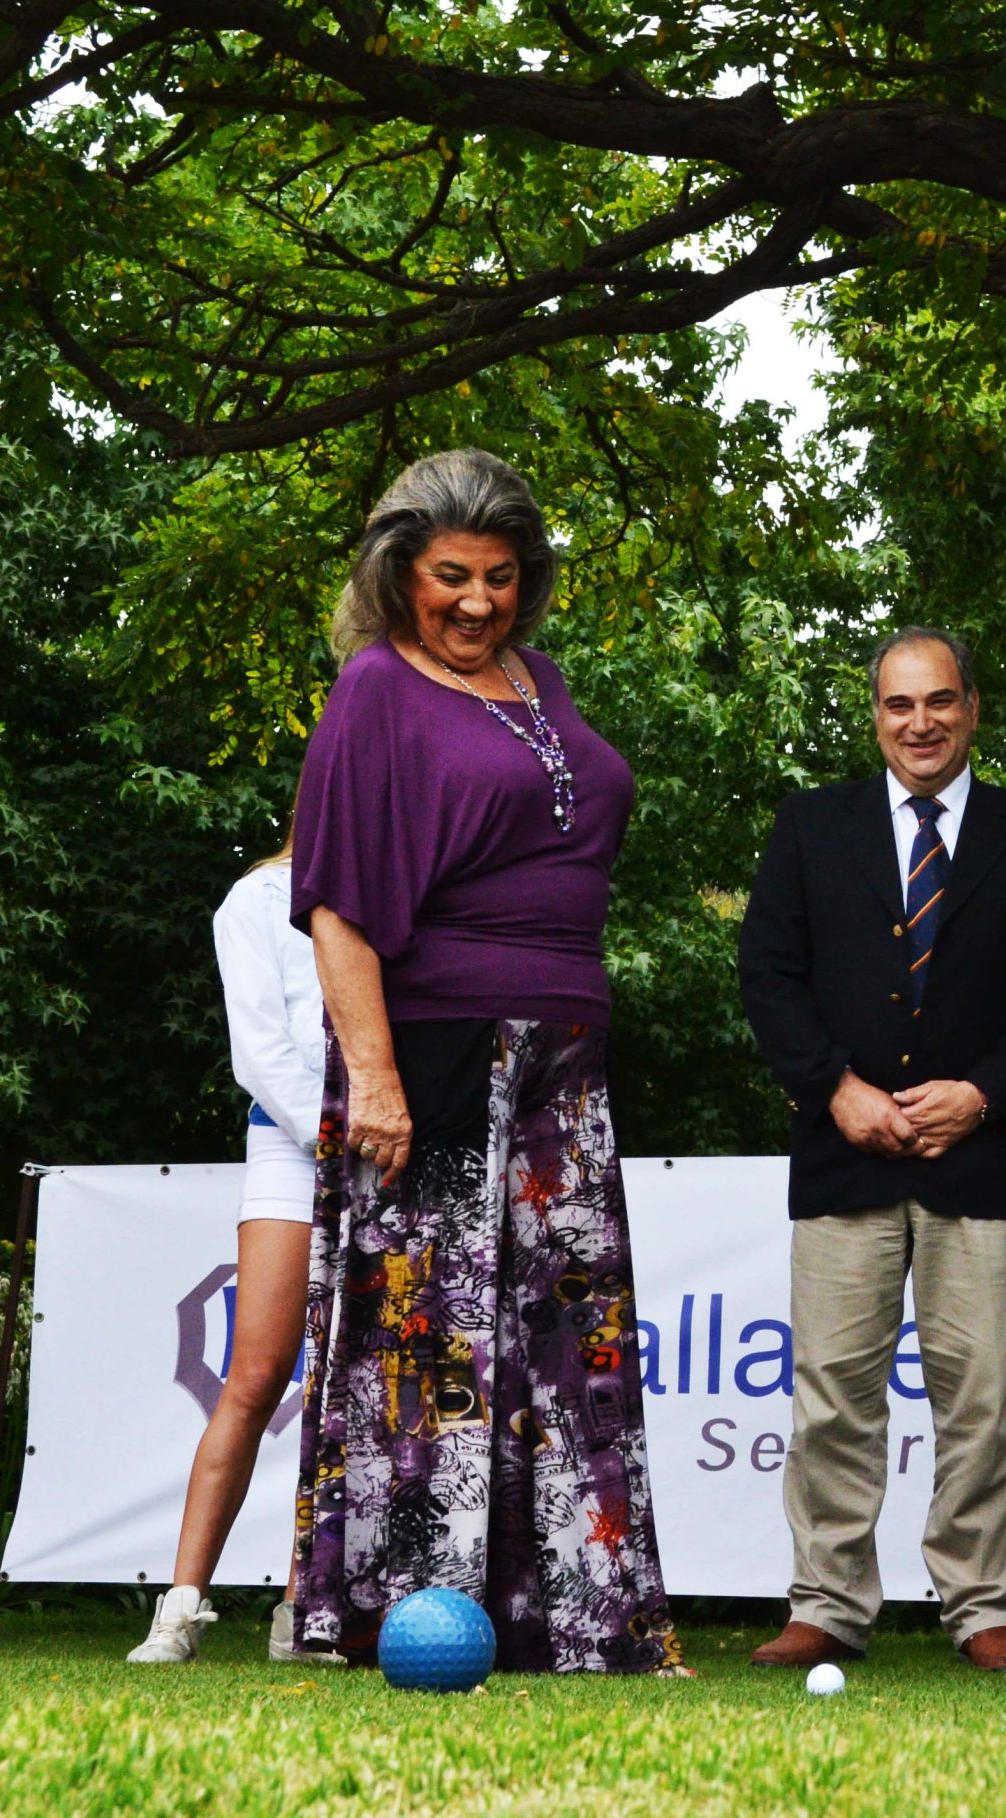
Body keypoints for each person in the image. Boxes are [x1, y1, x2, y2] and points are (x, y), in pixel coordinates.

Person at [284, 448, 681, 1675]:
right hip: (437, 1045)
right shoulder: (373, 689)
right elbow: (336, 905)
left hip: (562, 1052)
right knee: (431, 1342)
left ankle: (584, 1619)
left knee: (573, 1340)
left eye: (500, 578)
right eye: (451, 576)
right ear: (400, 572)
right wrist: (376, 1078)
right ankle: (409, 1614)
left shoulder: (540, 679)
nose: (476, 602)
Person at [737, 626, 1006, 1675]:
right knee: (832, 1396)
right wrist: (834, 1088)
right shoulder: (811, 826)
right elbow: (768, 972)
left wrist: (983, 1095)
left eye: (939, 701)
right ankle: (826, 1603)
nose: (920, 723)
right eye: (899, 705)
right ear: (875, 717)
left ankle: (981, 1605)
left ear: (972, 709)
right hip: (843, 1152)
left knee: (981, 1397)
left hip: (983, 1158)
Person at [127, 832, 346, 1667]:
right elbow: (258, 1052)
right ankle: (178, 1612)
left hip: (397, 1147)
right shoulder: (256, 900)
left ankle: (305, 1613)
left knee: (348, 1391)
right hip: (295, 1143)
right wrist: (339, 1135)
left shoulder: (408, 899)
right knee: (255, 1375)